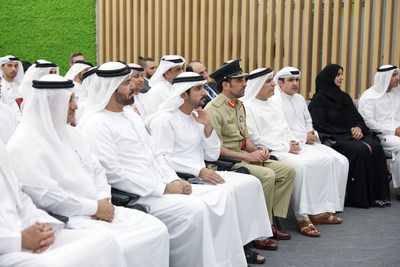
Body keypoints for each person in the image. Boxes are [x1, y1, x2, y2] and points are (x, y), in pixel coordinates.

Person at [78, 61, 248, 266]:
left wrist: (174, 179)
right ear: (109, 88)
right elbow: (113, 173)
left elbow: (155, 155)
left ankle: (225, 261)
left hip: (160, 185)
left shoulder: (130, 116)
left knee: (222, 197)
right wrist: (163, 188)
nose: (133, 86)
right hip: (138, 194)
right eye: (126, 83)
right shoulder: (96, 124)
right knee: (196, 210)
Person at [7, 74, 170, 267]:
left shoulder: (71, 132)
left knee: (155, 228)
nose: (75, 106)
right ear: (50, 105)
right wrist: (93, 208)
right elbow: (46, 197)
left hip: (102, 208)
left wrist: (103, 200)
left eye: (74, 100)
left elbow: (98, 170)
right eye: (69, 101)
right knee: (113, 245)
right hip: (73, 217)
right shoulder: (23, 144)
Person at [146, 71, 272, 264]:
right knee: (227, 193)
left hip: (203, 174)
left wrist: (208, 126)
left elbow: (212, 155)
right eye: (198, 88)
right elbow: (162, 159)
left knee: (251, 183)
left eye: (203, 87)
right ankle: (229, 249)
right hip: (183, 177)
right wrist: (198, 171)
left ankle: (242, 243)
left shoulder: (198, 116)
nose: (205, 92)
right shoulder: (165, 120)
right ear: (183, 94)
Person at [243, 67, 349, 237]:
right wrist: (287, 147)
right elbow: (255, 139)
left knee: (325, 160)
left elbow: (285, 127)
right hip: (273, 151)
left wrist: (293, 141)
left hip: (288, 146)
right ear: (258, 85)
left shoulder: (273, 103)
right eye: (269, 82)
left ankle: (318, 211)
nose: (273, 85)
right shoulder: (247, 107)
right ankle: (302, 217)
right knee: (301, 167)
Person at [204, 59, 296, 250]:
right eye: (239, 80)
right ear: (225, 84)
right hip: (226, 162)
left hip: (243, 156)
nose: (245, 83)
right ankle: (258, 231)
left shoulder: (239, 105)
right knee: (268, 176)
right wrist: (248, 157)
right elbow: (215, 149)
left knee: (287, 170)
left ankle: (271, 221)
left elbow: (244, 140)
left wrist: (258, 151)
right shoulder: (214, 109)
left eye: (244, 79)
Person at [0, 139, 128, 267]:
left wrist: (41, 226)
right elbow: (46, 196)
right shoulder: (21, 145)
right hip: (7, 249)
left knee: (106, 242)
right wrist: (19, 239)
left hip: (28, 232)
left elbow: (20, 198)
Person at [309, 64, 391, 208]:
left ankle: (378, 195)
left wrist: (358, 128)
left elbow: (358, 118)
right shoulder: (318, 101)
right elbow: (319, 126)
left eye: (342, 74)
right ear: (329, 78)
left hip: (353, 136)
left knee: (376, 147)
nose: (342, 77)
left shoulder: (345, 97)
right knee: (360, 151)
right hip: (336, 139)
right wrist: (345, 133)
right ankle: (359, 198)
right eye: (338, 75)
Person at [358, 65, 400, 200]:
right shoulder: (369, 97)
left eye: (397, 75)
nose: (397, 78)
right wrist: (393, 130)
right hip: (381, 136)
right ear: (385, 77)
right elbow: (368, 122)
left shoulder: (397, 93)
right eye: (394, 75)